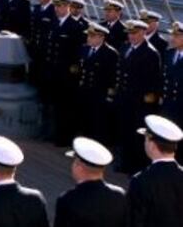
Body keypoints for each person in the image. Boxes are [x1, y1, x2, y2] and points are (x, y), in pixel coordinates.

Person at [113, 20, 162, 175]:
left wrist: (146, 102)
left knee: (136, 136)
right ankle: (123, 162)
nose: (131, 36)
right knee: (122, 131)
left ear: (142, 32)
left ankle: (135, 167)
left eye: (134, 33)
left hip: (138, 102)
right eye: (129, 33)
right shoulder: (125, 47)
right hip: (123, 98)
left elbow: (152, 81)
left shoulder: (150, 53)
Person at [44, 0, 85, 145]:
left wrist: (72, 72)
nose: (57, 9)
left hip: (67, 75)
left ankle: (64, 137)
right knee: (53, 105)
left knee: (65, 108)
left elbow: (78, 53)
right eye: (56, 6)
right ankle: (53, 133)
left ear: (68, 7)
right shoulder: (54, 23)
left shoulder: (76, 27)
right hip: (53, 72)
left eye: (60, 6)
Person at [76, 22, 119, 143]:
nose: (88, 38)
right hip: (85, 91)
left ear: (101, 37)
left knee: (98, 123)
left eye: (92, 36)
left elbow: (113, 76)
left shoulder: (110, 53)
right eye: (88, 35)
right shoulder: (84, 48)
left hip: (99, 93)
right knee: (84, 120)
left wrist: (109, 95)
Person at [30, 0, 57, 90]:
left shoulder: (53, 11)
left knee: (43, 77)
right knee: (32, 74)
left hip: (46, 49)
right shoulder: (36, 9)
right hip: (35, 48)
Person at [162, 21, 183, 130]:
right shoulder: (169, 53)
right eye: (172, 35)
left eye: (177, 36)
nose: (172, 38)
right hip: (167, 103)